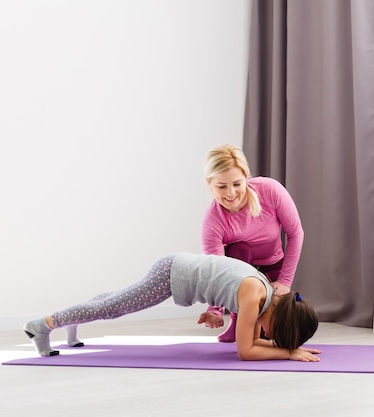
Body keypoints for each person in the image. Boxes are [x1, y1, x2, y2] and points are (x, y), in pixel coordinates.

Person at [23, 252, 320, 362]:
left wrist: (287, 349)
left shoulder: (264, 293)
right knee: (114, 307)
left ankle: (73, 322)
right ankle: (43, 325)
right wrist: (288, 353)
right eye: (275, 335)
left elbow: (252, 341)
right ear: (276, 322)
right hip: (170, 275)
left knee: (114, 299)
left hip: (174, 267)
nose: (267, 336)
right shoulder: (256, 296)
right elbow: (246, 351)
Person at [201, 144, 304, 343]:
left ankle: (260, 320)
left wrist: (284, 282)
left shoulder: (271, 191)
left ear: (246, 178)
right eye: (221, 186)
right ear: (210, 185)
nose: (230, 193)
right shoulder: (212, 221)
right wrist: (215, 309)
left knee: (282, 330)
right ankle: (238, 320)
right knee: (239, 249)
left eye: (237, 184)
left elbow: (296, 234)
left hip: (273, 264)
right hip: (240, 274)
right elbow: (216, 270)